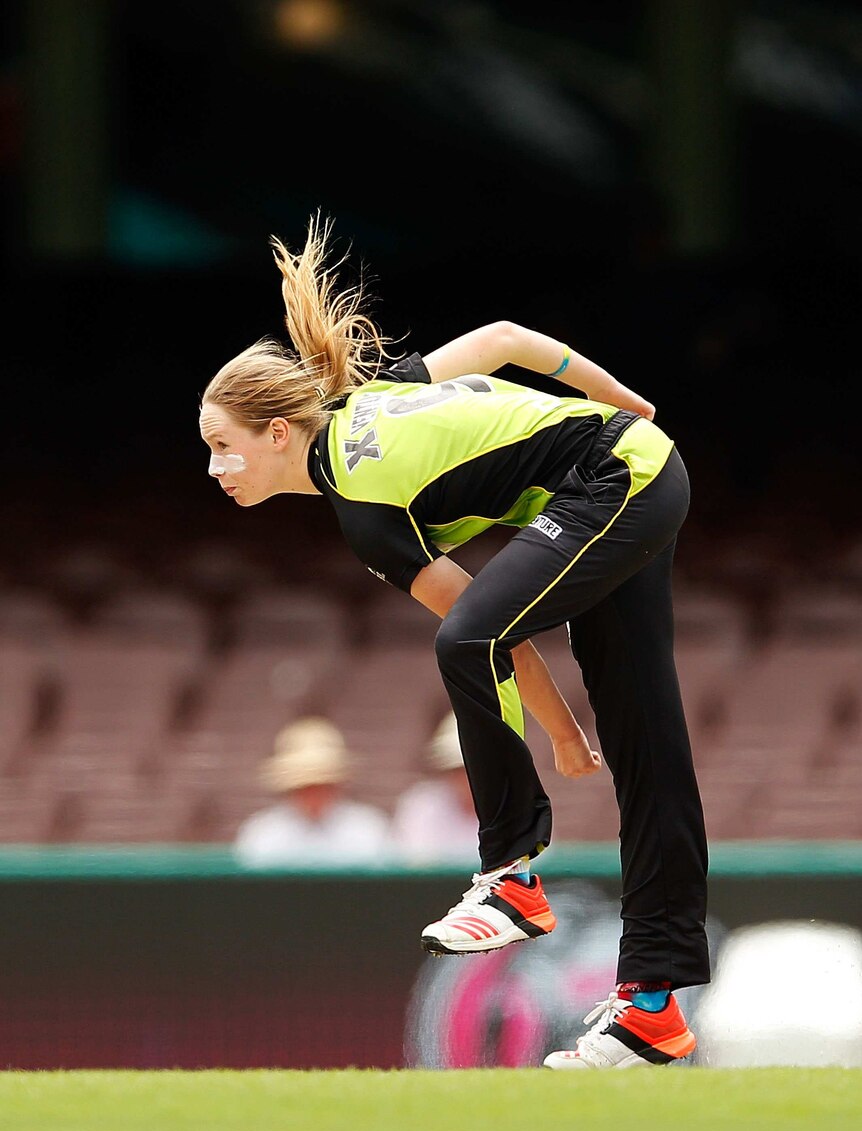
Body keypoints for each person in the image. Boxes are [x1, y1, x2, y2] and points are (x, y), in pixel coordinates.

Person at [199, 212, 709, 1069]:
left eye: (223, 446)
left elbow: (475, 629)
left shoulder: (368, 510)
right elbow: (508, 340)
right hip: (627, 473)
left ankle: (511, 874)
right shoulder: (377, 396)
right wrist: (560, 732)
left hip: (617, 478)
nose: (215, 469)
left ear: (277, 434)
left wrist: (622, 418)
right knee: (647, 748)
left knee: (472, 646)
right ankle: (652, 1005)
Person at [233, 715, 392, 868]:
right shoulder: (263, 833)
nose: (314, 795)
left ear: (336, 785)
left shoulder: (369, 828)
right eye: (305, 787)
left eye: (322, 786)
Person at [391, 711, 480, 865]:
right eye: (460, 769)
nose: (469, 778)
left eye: (479, 767)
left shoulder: (521, 810)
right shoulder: (421, 807)